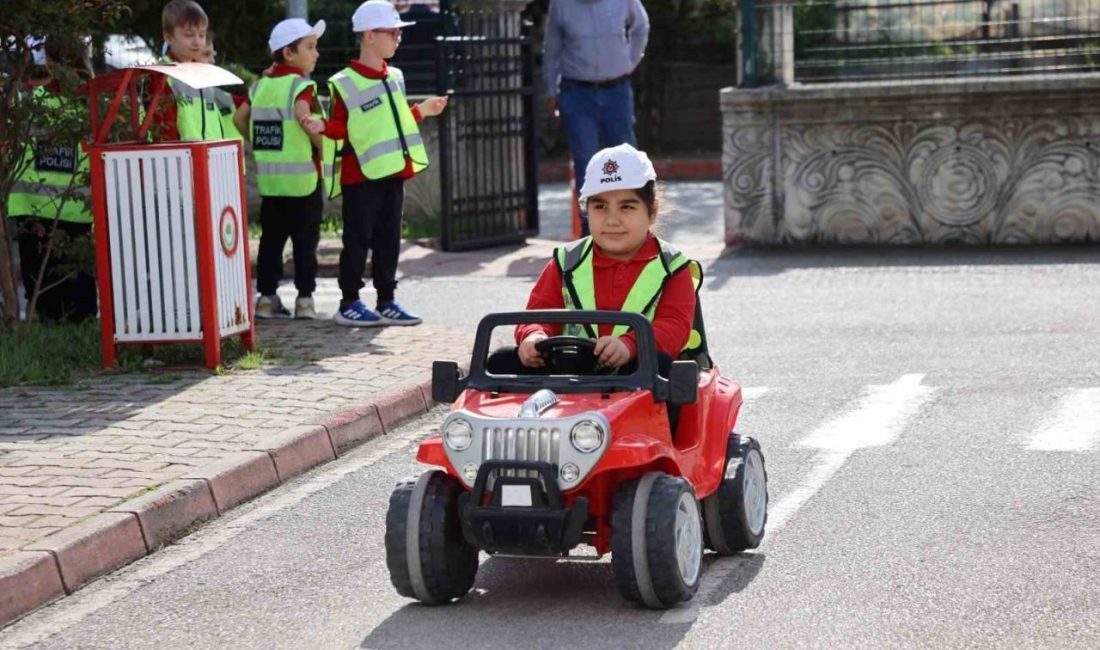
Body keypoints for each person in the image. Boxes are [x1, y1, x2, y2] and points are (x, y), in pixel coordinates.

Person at [489, 144, 703, 386]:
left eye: (626, 207)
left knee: (662, 367)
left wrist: (630, 345)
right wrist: (534, 336)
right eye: (600, 207)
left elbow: (674, 327)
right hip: (568, 373)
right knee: (501, 361)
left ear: (652, 212)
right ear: (586, 211)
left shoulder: (672, 267)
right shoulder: (566, 261)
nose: (612, 220)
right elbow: (539, 311)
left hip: (636, 375)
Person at [308, 0, 448, 327]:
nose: (399, 38)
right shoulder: (344, 82)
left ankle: (387, 300)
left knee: (388, 239)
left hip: (393, 172)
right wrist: (322, 126)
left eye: (399, 33)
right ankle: (349, 303)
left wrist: (422, 111)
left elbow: (393, 122)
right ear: (369, 35)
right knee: (357, 241)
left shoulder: (395, 76)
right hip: (359, 176)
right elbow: (343, 126)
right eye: (393, 33)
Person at [233, 18, 327, 319]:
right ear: (289, 53)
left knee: (271, 242)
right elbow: (304, 117)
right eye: (310, 47)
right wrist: (326, 148)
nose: (316, 53)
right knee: (305, 243)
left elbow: (239, 118)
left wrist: (259, 142)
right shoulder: (301, 87)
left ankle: (266, 298)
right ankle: (305, 300)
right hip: (304, 183)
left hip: (272, 183)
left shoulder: (259, 87)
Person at [8, 37, 98, 322]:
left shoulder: (31, 101)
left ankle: (56, 338)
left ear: (48, 62)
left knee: (48, 298)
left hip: (36, 210)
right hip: (70, 214)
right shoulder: (91, 104)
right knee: (78, 303)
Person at [542, 0, 650, 237]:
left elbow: (641, 26)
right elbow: (552, 49)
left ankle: (632, 229)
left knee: (626, 160)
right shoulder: (561, 5)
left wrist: (630, 61)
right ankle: (590, 234)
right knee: (586, 163)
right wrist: (550, 91)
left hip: (616, 91)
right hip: (576, 92)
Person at [150, 0, 225, 142]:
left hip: (210, 154)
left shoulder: (202, 74)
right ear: (168, 37)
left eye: (202, 35)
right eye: (189, 35)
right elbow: (164, 131)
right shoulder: (162, 75)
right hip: (181, 155)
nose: (197, 42)